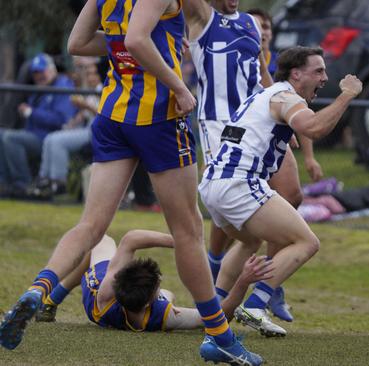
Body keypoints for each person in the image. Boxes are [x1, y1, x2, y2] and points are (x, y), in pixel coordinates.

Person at [0, 1, 262, 365]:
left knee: (91, 226)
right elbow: (138, 39)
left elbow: (79, 43)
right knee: (188, 231)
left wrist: (148, 45)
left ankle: (38, 289)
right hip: (158, 117)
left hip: (112, 114)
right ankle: (219, 337)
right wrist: (179, 86)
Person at [197, 46, 362, 337]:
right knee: (306, 242)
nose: (324, 77)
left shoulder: (265, 95)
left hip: (213, 185)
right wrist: (347, 94)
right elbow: (313, 127)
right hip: (239, 183)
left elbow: (254, 130)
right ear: (296, 74)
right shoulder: (285, 96)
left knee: (250, 242)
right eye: (318, 71)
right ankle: (257, 305)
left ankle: (215, 309)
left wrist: (283, 137)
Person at [184, 0, 322, 331]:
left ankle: (268, 281)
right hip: (220, 123)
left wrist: (280, 112)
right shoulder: (203, 18)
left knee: (290, 195)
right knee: (233, 203)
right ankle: (220, 275)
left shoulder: (248, 22)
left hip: (258, 116)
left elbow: (263, 70)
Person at [34, 231, 272, 329]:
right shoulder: (164, 315)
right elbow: (217, 315)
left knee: (98, 240)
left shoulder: (108, 289)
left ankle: (50, 301)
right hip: (122, 305)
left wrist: (177, 241)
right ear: (151, 301)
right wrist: (243, 281)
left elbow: (130, 239)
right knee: (171, 296)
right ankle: (49, 303)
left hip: (95, 299)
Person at [0, 53, 77, 198]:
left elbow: (61, 119)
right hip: (33, 134)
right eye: (35, 73)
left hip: (49, 138)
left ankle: (23, 185)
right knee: (1, 134)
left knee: (10, 138)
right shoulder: (39, 88)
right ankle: (3, 183)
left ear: (52, 69)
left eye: (42, 71)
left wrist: (31, 112)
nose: (39, 76)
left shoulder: (63, 85)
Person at [28, 57, 102, 199]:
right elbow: (83, 116)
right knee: (51, 137)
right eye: (87, 72)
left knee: (57, 141)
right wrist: (72, 122)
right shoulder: (87, 90)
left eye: (92, 72)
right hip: (86, 128)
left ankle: (59, 184)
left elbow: (105, 115)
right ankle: (45, 179)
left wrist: (87, 106)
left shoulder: (104, 88)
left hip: (98, 132)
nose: (89, 75)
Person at [247, 8, 277, 77]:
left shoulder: (284, 66)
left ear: (271, 33)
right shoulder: (235, 64)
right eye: (255, 26)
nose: (261, 32)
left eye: (265, 27)